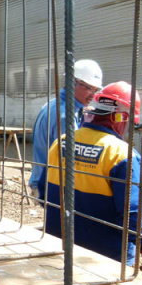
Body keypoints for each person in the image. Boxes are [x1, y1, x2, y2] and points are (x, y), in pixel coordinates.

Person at [42, 81, 142, 272]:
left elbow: (43, 190)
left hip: (58, 243)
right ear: (121, 117)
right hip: (105, 256)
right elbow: (131, 212)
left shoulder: (62, 142)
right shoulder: (123, 155)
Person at [29, 59, 103, 201]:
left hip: (44, 180)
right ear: (72, 82)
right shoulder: (65, 115)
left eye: (96, 90)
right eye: (88, 88)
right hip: (51, 185)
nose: (93, 95)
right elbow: (71, 158)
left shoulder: (54, 104)